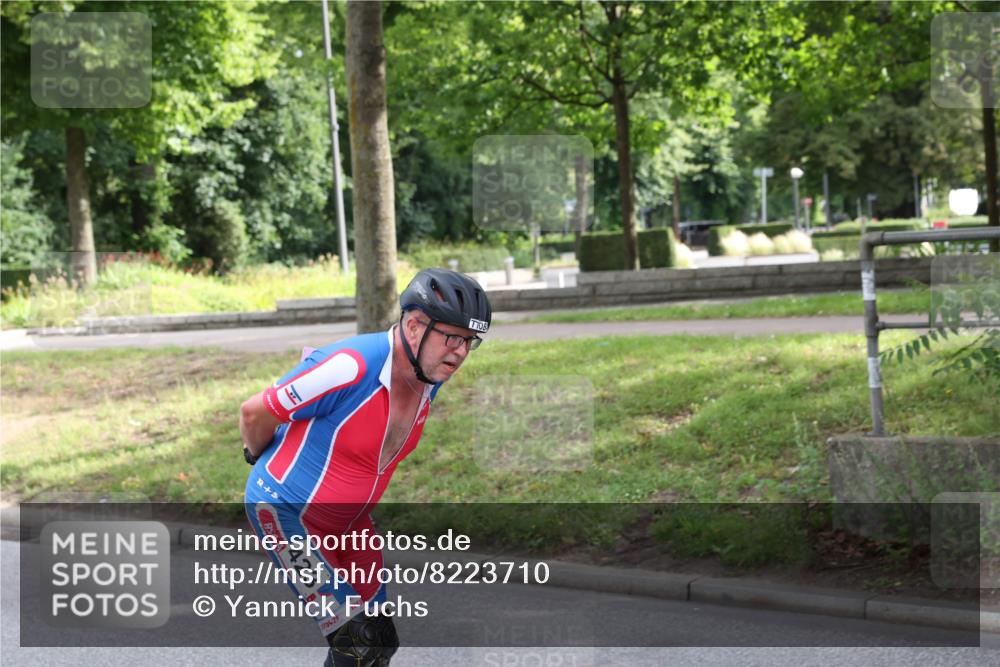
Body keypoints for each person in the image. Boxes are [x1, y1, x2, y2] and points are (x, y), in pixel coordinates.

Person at [240, 268, 491, 667]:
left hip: (350, 523)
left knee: (378, 643)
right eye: (452, 337)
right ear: (413, 326)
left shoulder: (430, 374)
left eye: (469, 342)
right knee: (356, 643)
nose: (461, 352)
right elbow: (254, 413)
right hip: (285, 514)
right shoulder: (348, 366)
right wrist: (258, 456)